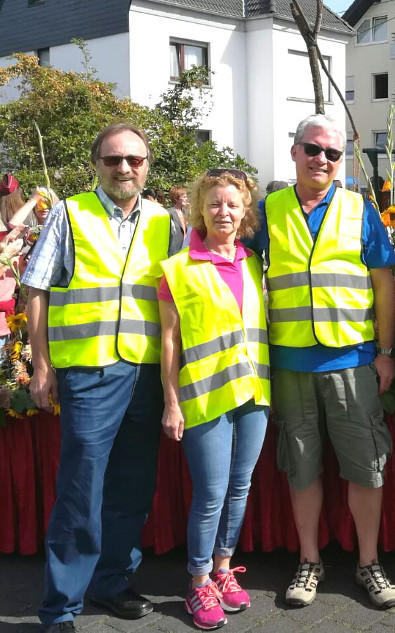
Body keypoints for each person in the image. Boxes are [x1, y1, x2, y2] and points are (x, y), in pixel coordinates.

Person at [22, 122, 181, 632]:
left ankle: (112, 581)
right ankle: (61, 607)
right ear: (97, 165)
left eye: (134, 160)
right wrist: (41, 366)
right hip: (89, 373)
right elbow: (37, 289)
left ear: (147, 166)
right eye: (113, 160)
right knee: (81, 488)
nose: (124, 168)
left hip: (147, 373)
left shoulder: (167, 221)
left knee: (133, 487)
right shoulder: (70, 214)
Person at [264, 114, 395, 610]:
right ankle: (309, 560)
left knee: (366, 466)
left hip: (352, 362)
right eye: (313, 149)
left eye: (333, 153)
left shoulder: (360, 208)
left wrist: (385, 353)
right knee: (301, 467)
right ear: (295, 151)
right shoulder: (267, 210)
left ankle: (369, 563)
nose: (322, 159)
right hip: (291, 364)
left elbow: (383, 283)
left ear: (342, 161)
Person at [159, 169, 270, 630]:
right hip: (205, 397)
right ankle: (198, 579)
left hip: (255, 393)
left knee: (239, 488)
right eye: (214, 203)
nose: (223, 211)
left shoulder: (255, 263)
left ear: (246, 212)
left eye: (232, 204)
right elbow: (169, 342)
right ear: (198, 209)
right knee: (210, 494)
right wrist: (170, 400)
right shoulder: (177, 268)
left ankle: (224, 570)